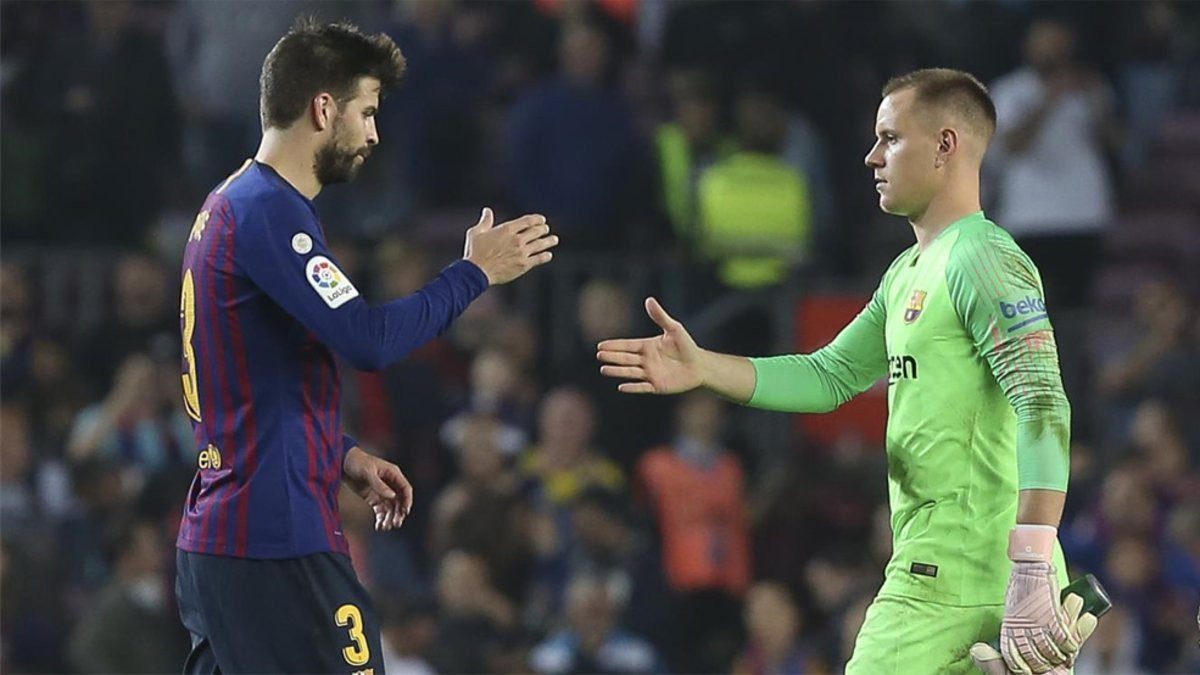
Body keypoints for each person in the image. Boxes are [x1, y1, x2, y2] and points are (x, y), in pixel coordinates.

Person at [598, 68, 1098, 674]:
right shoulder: (908, 271)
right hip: (959, 575)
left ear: (945, 145)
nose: (872, 156)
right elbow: (830, 375)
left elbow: (1044, 403)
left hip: (957, 583)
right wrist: (704, 366)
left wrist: (1031, 565)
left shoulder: (982, 258)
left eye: (890, 138)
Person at [173, 17, 558, 674]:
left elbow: (238, 385)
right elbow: (368, 340)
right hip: (277, 544)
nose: (375, 133)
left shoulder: (226, 202)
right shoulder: (272, 211)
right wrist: (474, 272)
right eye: (368, 111)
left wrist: (338, 452)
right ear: (324, 108)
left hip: (222, 539)